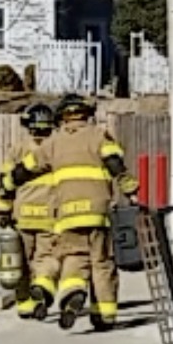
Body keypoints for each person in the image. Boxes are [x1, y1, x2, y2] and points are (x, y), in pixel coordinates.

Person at [37, 95, 130, 331]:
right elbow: (114, 161)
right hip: (97, 212)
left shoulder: (52, 143)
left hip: (67, 214)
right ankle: (104, 315)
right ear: (87, 114)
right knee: (102, 262)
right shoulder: (99, 135)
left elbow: (26, 168)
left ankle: (73, 292)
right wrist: (130, 187)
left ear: (62, 118)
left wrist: (7, 184)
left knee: (75, 258)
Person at [0, 103, 58, 318]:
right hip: (50, 215)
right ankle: (42, 286)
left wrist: (4, 211)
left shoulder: (18, 149)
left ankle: (24, 304)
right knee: (46, 257)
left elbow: (5, 182)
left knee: (21, 259)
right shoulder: (56, 149)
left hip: (22, 216)